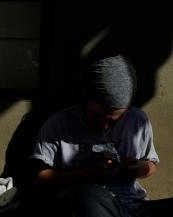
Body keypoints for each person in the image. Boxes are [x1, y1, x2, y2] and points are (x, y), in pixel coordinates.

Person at [27, 54, 173, 217]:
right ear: (85, 99)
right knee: (88, 194)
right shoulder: (59, 124)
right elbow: (39, 178)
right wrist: (87, 173)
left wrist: (138, 168)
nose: (104, 125)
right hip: (91, 204)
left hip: (133, 205)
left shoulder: (137, 121)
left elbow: (150, 165)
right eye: (96, 116)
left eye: (115, 121)